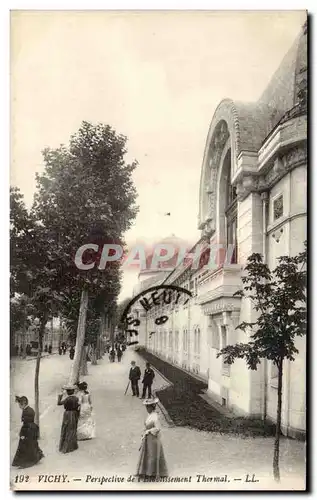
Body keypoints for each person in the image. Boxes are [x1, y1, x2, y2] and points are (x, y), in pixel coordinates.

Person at [136, 397, 168, 480]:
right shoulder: (149, 415)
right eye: (146, 407)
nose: (147, 408)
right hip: (148, 438)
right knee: (147, 453)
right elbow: (146, 425)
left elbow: (157, 428)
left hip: (153, 439)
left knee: (152, 455)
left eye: (148, 407)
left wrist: (149, 431)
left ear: (152, 407)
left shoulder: (155, 416)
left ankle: (152, 473)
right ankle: (145, 471)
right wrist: (144, 432)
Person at [12, 396, 44, 468]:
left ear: (23, 404)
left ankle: (25, 462)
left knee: (25, 445)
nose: (19, 406)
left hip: (28, 430)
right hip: (32, 428)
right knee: (32, 444)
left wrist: (22, 434)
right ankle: (35, 458)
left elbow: (26, 424)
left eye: (20, 405)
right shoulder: (30, 409)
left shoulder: (26, 411)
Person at [57, 384, 80, 453]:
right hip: (74, 414)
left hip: (67, 415)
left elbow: (59, 403)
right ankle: (73, 445)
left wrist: (60, 396)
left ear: (67, 392)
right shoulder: (76, 398)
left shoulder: (67, 399)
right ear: (73, 391)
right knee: (73, 429)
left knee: (66, 429)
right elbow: (79, 406)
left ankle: (66, 447)